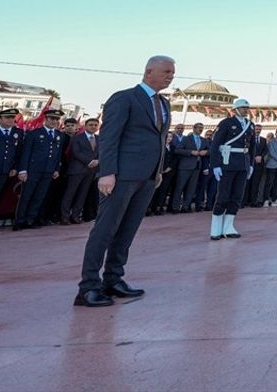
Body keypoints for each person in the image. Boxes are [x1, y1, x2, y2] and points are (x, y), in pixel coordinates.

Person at [76, 55, 174, 307]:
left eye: (172, 72)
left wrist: (158, 169)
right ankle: (88, 286)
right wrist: (107, 172)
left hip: (148, 177)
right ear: (149, 71)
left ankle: (113, 279)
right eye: (166, 71)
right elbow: (109, 137)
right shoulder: (125, 98)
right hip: (121, 176)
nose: (170, 76)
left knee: (127, 231)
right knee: (105, 229)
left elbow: (159, 140)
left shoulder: (164, 103)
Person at [208, 99, 257, 240]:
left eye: (247, 107)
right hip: (227, 163)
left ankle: (228, 227)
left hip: (243, 164)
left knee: (236, 197)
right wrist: (215, 165)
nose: (245, 110)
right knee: (223, 196)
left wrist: (251, 164)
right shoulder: (226, 123)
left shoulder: (250, 125)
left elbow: (252, 147)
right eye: (242, 107)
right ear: (234, 109)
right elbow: (215, 144)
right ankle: (216, 228)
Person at [15, 109, 65, 229]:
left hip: (48, 170)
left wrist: (56, 169)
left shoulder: (59, 135)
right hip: (33, 169)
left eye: (56, 119)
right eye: (51, 119)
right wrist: (22, 170)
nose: (54, 121)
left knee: (39, 196)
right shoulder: (34, 133)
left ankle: (30, 220)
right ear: (45, 119)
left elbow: (58, 154)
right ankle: (19, 221)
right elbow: (26, 152)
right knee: (26, 196)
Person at [61, 118, 100, 224]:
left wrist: (97, 161)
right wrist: (89, 161)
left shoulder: (99, 138)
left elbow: (102, 152)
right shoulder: (77, 138)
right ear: (85, 126)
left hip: (91, 171)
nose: (93, 127)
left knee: (82, 194)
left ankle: (76, 216)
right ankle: (64, 217)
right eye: (91, 125)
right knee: (70, 194)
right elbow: (76, 152)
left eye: (95, 125)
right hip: (77, 170)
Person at [172, 123, 207, 212]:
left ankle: (185, 207)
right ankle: (175, 207)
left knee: (191, 188)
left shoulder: (203, 140)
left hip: (197, 167)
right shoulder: (186, 139)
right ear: (194, 128)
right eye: (199, 128)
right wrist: (190, 152)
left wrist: (206, 152)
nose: (200, 130)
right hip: (185, 166)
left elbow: (210, 150)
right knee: (179, 187)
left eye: (202, 128)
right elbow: (177, 150)